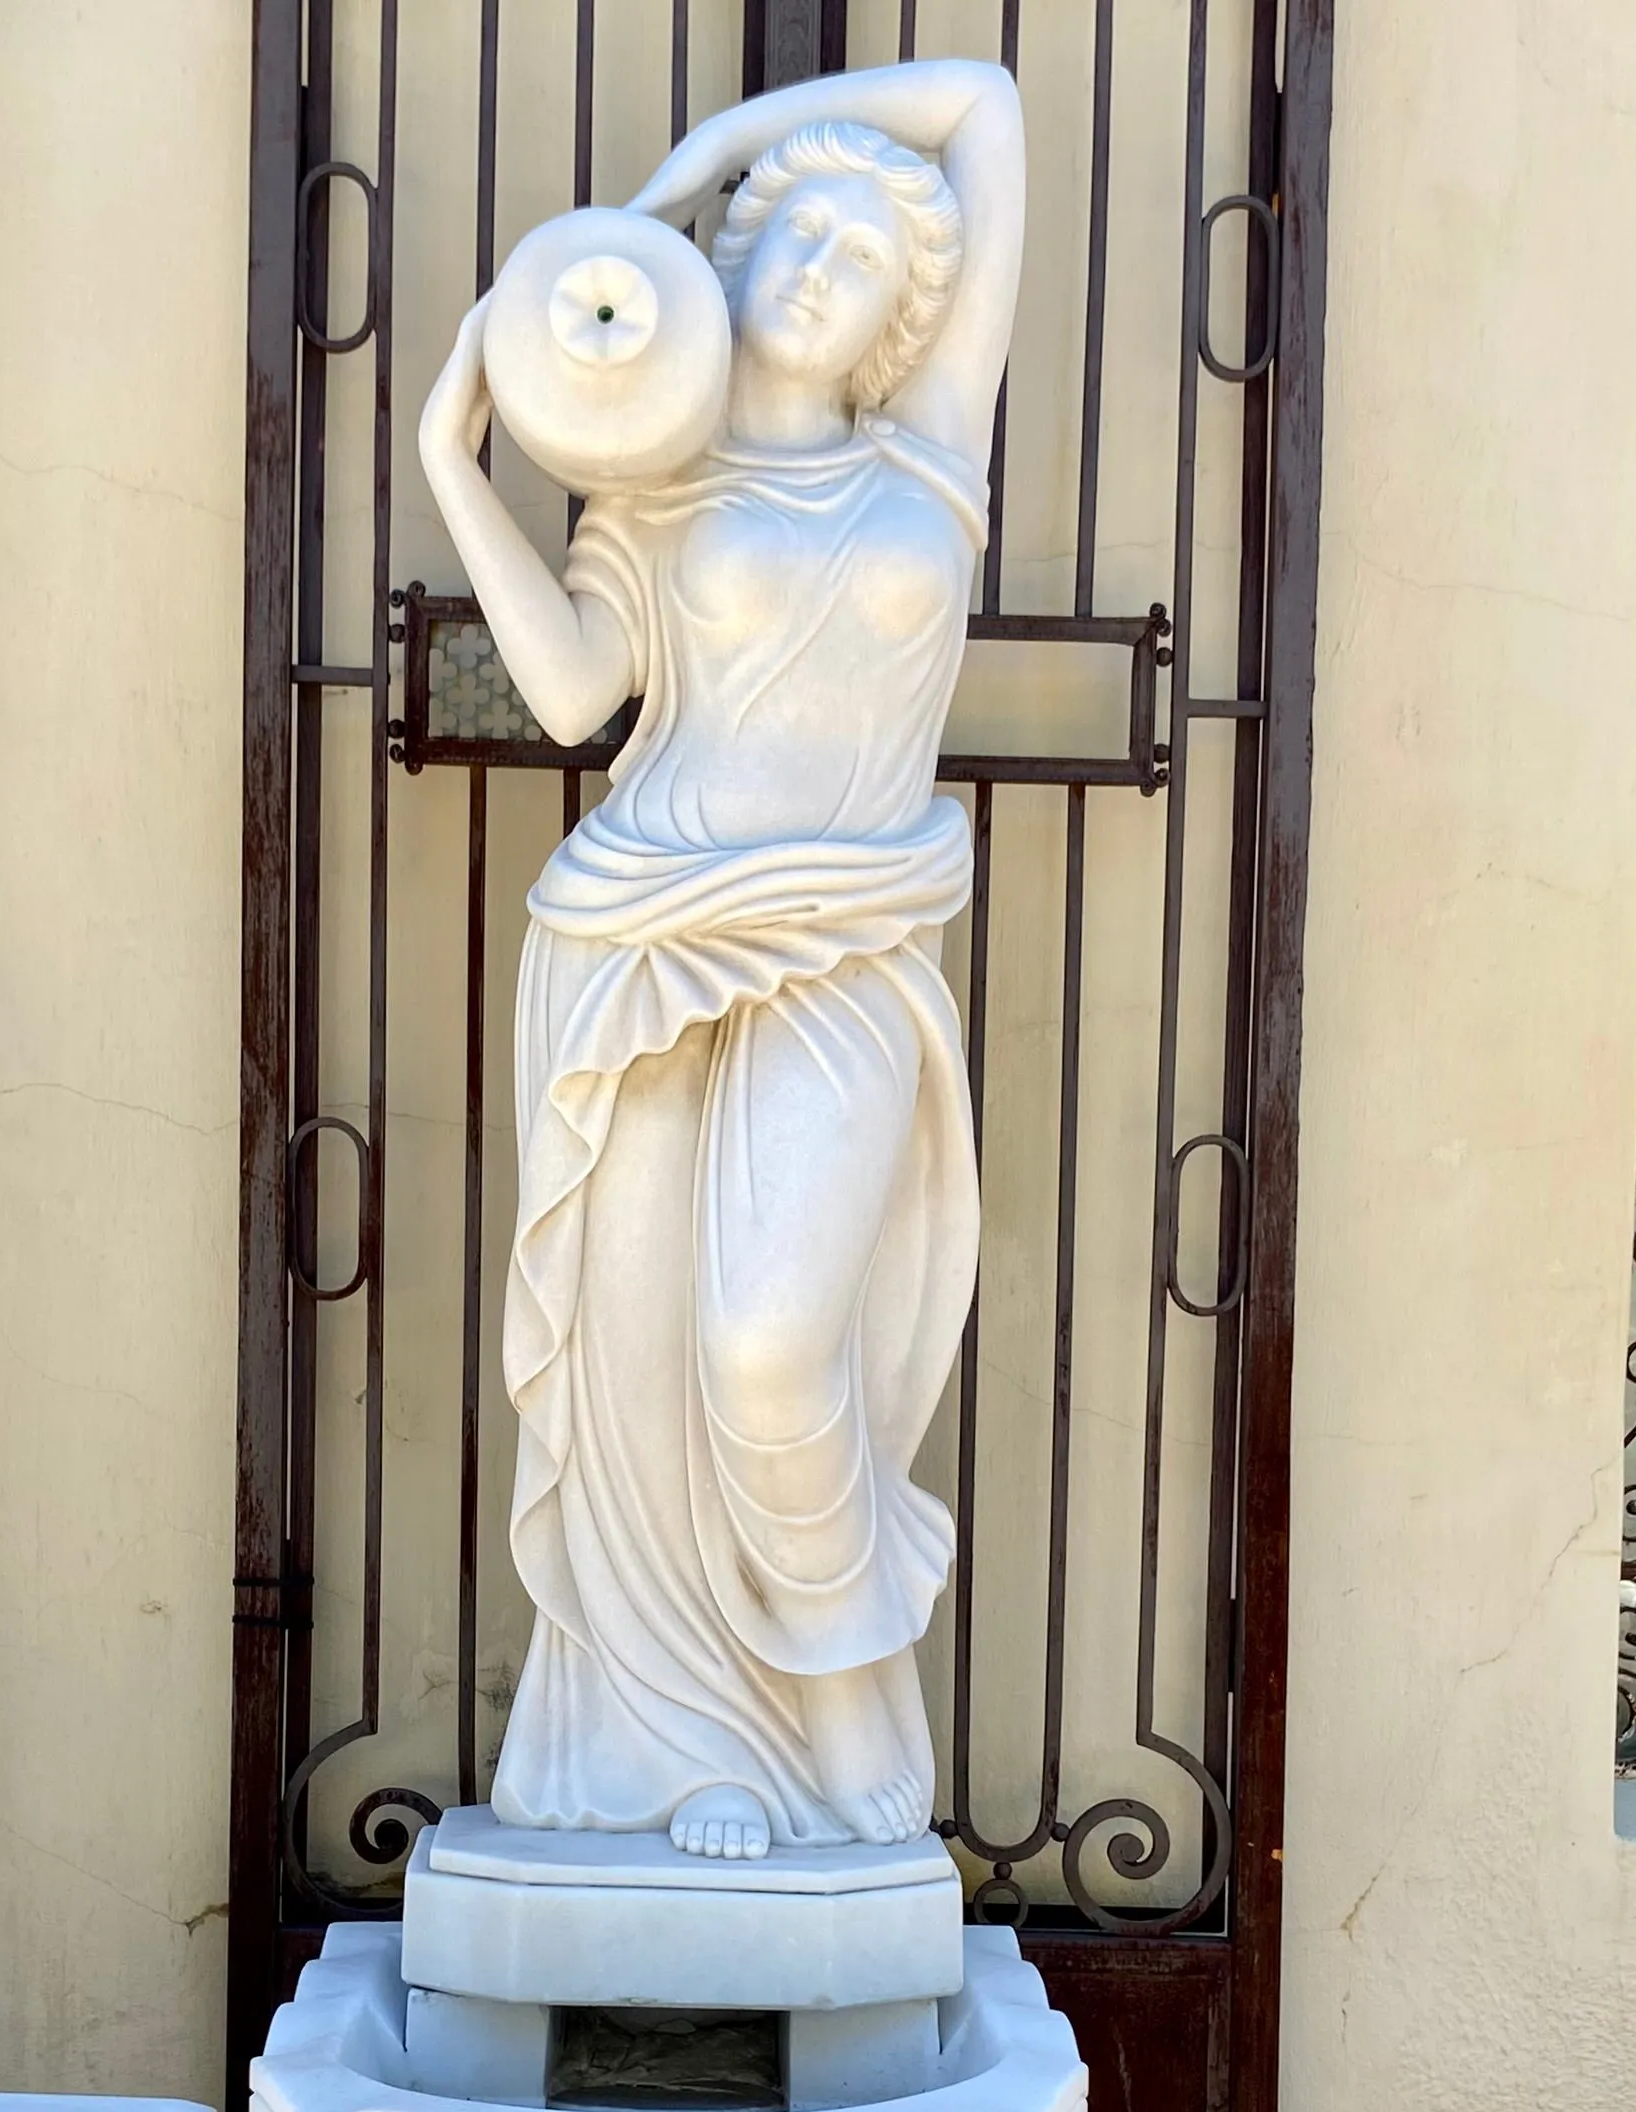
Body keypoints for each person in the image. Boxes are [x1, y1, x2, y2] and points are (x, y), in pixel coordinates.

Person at [418, 61, 1023, 1861]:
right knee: (637, 1376)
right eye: (793, 230)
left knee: (767, 1347)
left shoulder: (931, 451)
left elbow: (984, 109)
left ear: (901, 319)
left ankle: (836, 1687)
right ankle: (677, 1755)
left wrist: (719, 151)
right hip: (635, 941)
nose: (828, 259)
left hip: (839, 949)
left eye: (865, 248)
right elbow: (572, 698)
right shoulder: (651, 495)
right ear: (737, 267)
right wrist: (452, 466)